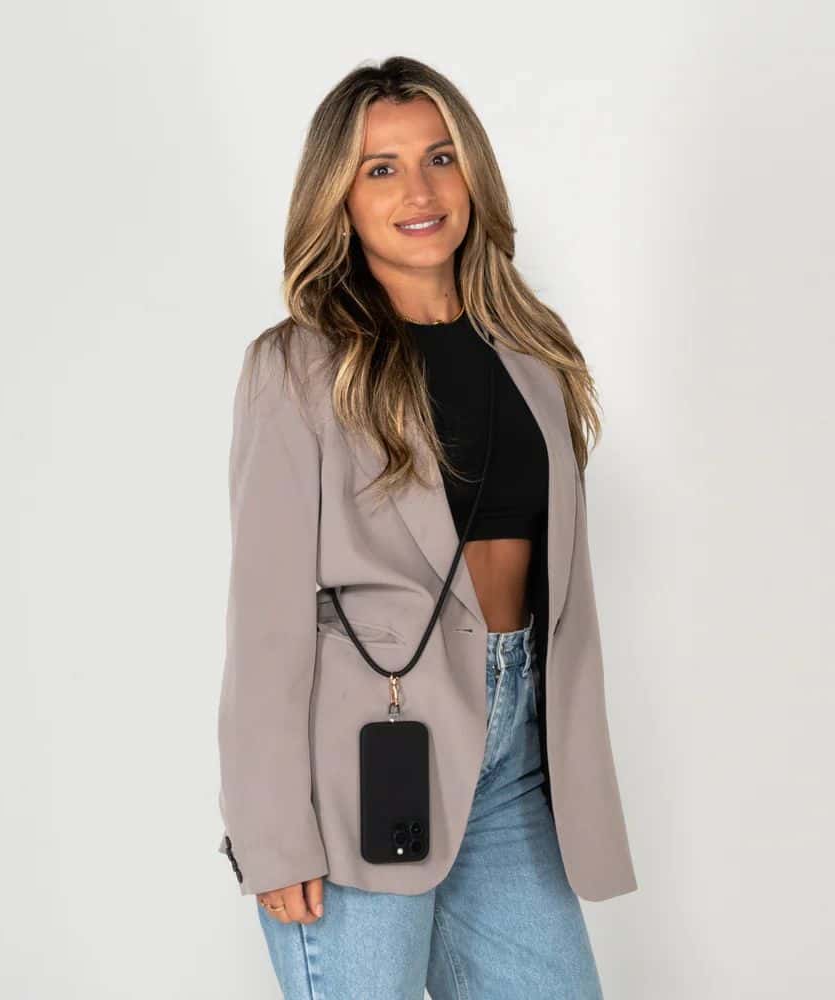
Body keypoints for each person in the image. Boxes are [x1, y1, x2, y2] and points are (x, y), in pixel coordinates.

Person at [215, 55, 638, 999]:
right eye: (382, 168)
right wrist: (273, 831)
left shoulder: (532, 352)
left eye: (440, 157)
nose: (420, 190)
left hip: (516, 761)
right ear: (340, 199)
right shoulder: (299, 368)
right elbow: (265, 621)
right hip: (366, 762)